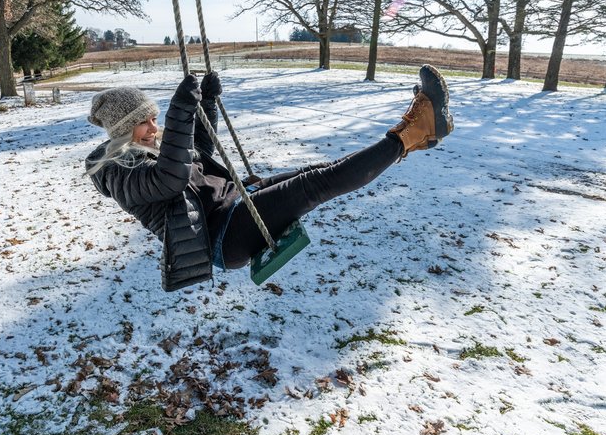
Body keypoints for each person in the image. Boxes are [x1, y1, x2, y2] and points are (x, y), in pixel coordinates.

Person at [85, 65, 453, 291]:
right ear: (121, 130)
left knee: (316, 174)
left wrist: (206, 104)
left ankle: (420, 134)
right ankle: (412, 130)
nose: (154, 126)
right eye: (143, 122)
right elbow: (170, 179)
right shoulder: (117, 173)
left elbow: (197, 148)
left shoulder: (153, 145)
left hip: (235, 203)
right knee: (317, 186)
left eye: (154, 116)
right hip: (223, 236)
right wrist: (180, 110)